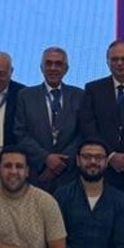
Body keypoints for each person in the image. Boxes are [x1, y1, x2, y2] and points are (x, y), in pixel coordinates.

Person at [78, 40, 124, 208]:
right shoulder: (93, 89)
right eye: (114, 59)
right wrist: (110, 155)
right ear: (107, 62)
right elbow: (88, 126)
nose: (120, 63)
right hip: (103, 170)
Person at [14, 47, 84, 192]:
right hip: (37, 174)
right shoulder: (25, 96)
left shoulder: (80, 96)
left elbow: (83, 133)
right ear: (41, 67)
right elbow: (20, 134)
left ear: (66, 69)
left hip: (69, 176)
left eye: (58, 64)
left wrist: (60, 163)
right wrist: (46, 158)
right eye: (48, 63)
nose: (53, 68)